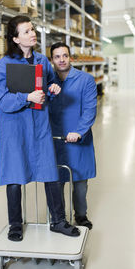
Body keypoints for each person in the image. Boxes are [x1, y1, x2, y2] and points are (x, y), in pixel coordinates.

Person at [0, 16, 80, 241]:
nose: (33, 34)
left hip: (39, 124)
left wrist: (53, 88)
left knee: (49, 171)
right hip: (15, 128)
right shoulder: (3, 66)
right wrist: (26, 96)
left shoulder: (41, 60)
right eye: (27, 31)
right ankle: (15, 226)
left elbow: (53, 84)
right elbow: (2, 102)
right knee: (14, 175)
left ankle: (58, 220)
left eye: (33, 30)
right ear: (15, 39)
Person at [49, 42, 97, 230]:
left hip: (77, 138)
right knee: (56, 181)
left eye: (65, 56)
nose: (61, 60)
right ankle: (59, 217)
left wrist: (79, 131)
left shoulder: (85, 80)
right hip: (55, 139)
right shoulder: (48, 82)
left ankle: (81, 215)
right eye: (57, 56)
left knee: (79, 182)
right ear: (52, 60)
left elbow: (90, 110)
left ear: (70, 58)